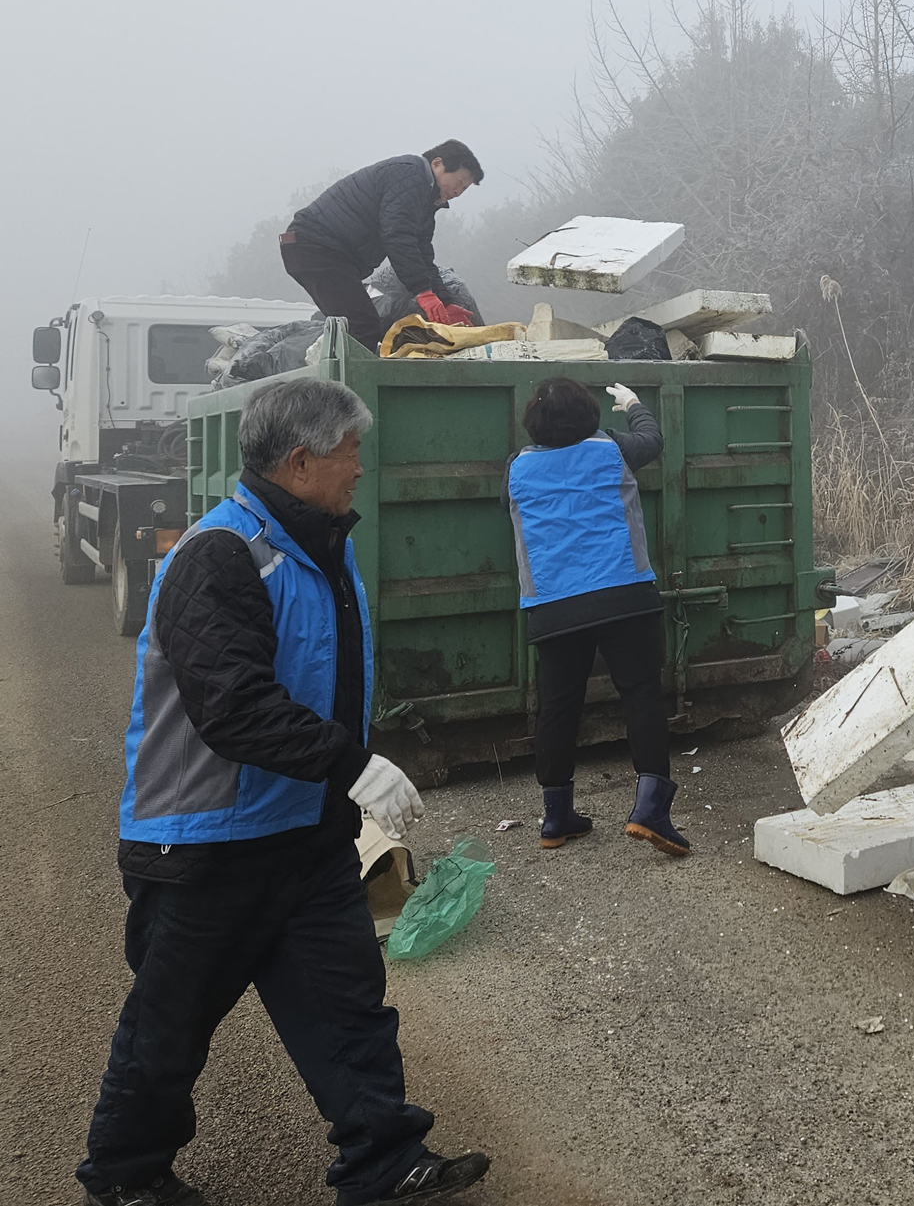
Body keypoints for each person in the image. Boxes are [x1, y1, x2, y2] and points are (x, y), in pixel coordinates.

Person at [77, 378, 489, 1206]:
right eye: (350, 453)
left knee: (349, 1010)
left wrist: (340, 782)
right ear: (301, 461)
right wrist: (352, 765)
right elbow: (233, 704)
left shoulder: (320, 547)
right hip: (201, 844)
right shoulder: (220, 553)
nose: (360, 469)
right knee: (169, 1027)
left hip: (303, 836)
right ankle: (125, 1177)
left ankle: (384, 1161)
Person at [505, 377, 688, 856]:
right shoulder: (612, 449)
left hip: (552, 606)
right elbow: (654, 439)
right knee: (642, 696)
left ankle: (556, 818)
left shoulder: (516, 467)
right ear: (589, 417)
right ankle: (651, 811)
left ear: (533, 421)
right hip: (624, 596)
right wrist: (632, 404)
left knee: (558, 707)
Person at [279, 141, 484, 351]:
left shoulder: (425, 201)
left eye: (464, 189)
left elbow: (422, 256)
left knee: (356, 325)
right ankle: (348, 384)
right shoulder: (411, 175)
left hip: (322, 252)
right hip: (315, 246)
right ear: (437, 164)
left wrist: (446, 301)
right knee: (362, 326)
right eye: (459, 182)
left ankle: (336, 377)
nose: (458, 192)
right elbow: (397, 236)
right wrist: (423, 292)